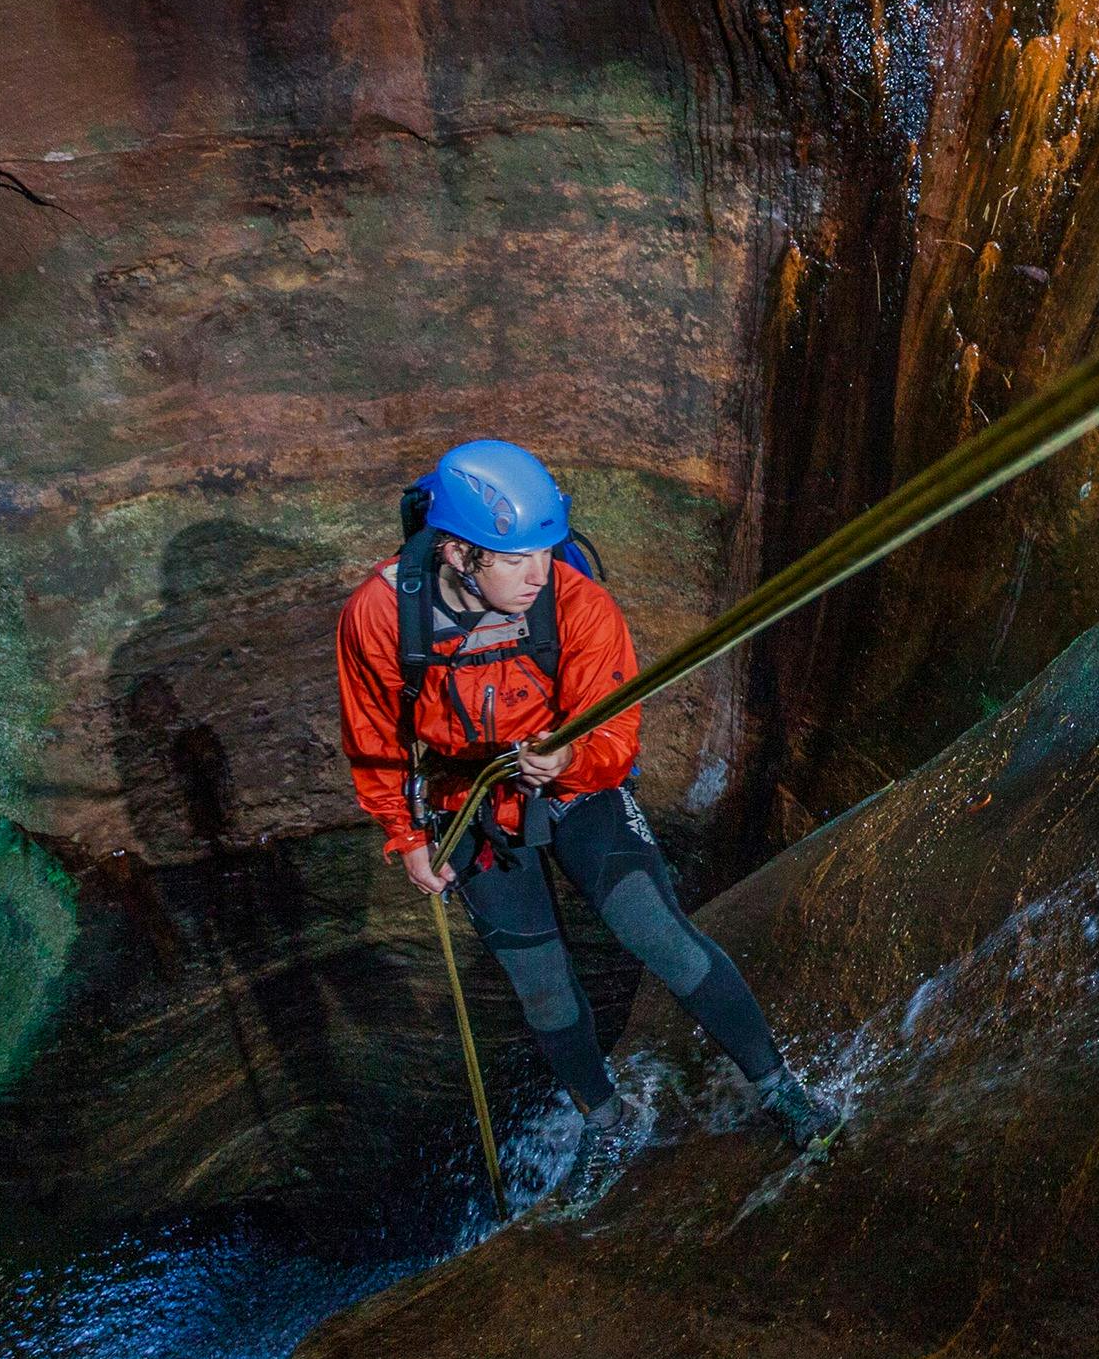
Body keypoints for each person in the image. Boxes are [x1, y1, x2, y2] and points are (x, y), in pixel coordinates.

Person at [335, 438, 839, 1181]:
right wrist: (406, 836)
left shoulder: (576, 602)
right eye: (515, 558)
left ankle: (782, 1091)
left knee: (657, 933)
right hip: (469, 803)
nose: (538, 572)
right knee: (540, 982)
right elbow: (374, 739)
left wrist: (571, 759)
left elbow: (616, 734)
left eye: (545, 549)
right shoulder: (380, 617)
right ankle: (606, 1121)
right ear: (456, 553)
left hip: (576, 787)